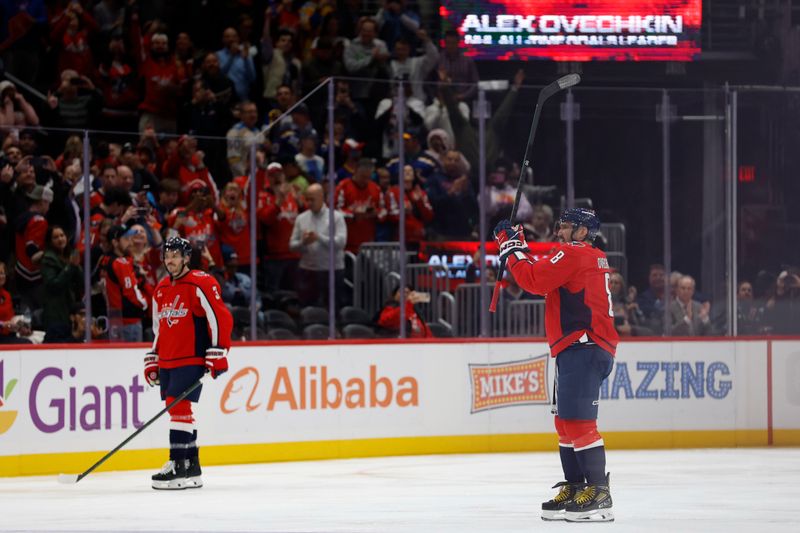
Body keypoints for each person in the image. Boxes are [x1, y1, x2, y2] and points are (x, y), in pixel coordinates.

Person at [494, 208, 618, 522]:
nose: (559, 231)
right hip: (576, 346)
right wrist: (518, 246)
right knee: (564, 424)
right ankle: (577, 488)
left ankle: (600, 494)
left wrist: (510, 248)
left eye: (566, 227)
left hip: (583, 345)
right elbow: (544, 272)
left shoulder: (574, 253)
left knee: (578, 424)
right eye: (560, 226)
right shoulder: (584, 254)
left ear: (582, 232)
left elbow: (534, 281)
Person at [145, 237, 232, 490]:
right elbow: (158, 327)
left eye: (175, 255)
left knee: (178, 408)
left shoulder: (200, 282)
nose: (170, 260)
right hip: (168, 358)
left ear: (186, 258)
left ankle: (177, 465)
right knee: (178, 410)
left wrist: (218, 351)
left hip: (191, 357)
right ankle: (192, 466)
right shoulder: (161, 288)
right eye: (167, 255)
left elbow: (220, 318)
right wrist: (153, 356)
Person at [289, 183, 347, 307]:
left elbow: (341, 242)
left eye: (312, 199)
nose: (309, 203)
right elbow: (292, 245)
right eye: (307, 199)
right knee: (307, 307)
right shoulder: (301, 218)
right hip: (308, 270)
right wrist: (303, 242)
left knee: (332, 308)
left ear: (322, 197)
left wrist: (319, 238)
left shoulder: (336, 217)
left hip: (332, 270)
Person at [101, 225, 148, 342]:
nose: (131, 242)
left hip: (115, 319)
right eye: (126, 239)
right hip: (129, 321)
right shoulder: (121, 263)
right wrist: (145, 304)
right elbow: (131, 293)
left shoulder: (105, 260)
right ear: (115, 242)